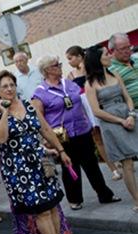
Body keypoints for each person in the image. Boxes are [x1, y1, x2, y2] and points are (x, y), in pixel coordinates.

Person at [0, 70, 76, 234]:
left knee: (52, 206)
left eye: (11, 85)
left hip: (40, 163)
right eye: (4, 87)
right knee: (41, 210)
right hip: (18, 169)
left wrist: (61, 151)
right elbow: (0, 138)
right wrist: (6, 111)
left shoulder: (29, 105)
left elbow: (45, 130)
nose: (9, 89)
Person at [32, 55, 121, 210]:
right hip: (62, 136)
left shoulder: (69, 84)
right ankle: (74, 199)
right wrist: (46, 139)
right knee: (70, 168)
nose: (60, 66)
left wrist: (90, 122)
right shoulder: (40, 93)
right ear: (47, 70)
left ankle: (105, 194)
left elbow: (83, 103)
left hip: (82, 130)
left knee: (92, 164)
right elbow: (39, 119)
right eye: (56, 65)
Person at [84, 45, 138, 213]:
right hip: (112, 124)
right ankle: (137, 200)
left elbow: (127, 98)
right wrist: (120, 121)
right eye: (106, 55)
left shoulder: (115, 75)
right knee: (127, 163)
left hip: (129, 117)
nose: (109, 56)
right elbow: (96, 111)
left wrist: (130, 114)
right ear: (97, 60)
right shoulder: (90, 84)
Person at [66, 45, 122, 181]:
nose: (69, 61)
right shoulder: (71, 75)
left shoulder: (90, 68)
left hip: (96, 100)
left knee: (110, 130)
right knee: (96, 136)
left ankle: (121, 158)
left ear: (80, 56)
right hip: (83, 105)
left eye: (70, 58)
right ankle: (113, 168)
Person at [108, 33, 138, 108]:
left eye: (128, 47)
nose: (127, 51)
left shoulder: (136, 59)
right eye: (123, 48)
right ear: (112, 50)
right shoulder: (110, 70)